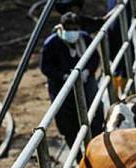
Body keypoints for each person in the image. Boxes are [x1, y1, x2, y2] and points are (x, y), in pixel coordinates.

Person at [40, 11, 103, 149]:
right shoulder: (51, 44)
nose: (72, 32)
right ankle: (77, 155)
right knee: (67, 122)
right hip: (61, 87)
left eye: (75, 29)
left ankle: (97, 146)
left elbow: (94, 58)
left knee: (95, 112)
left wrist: (88, 71)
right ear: (61, 27)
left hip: (85, 83)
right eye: (68, 29)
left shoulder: (84, 39)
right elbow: (45, 67)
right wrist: (63, 77)